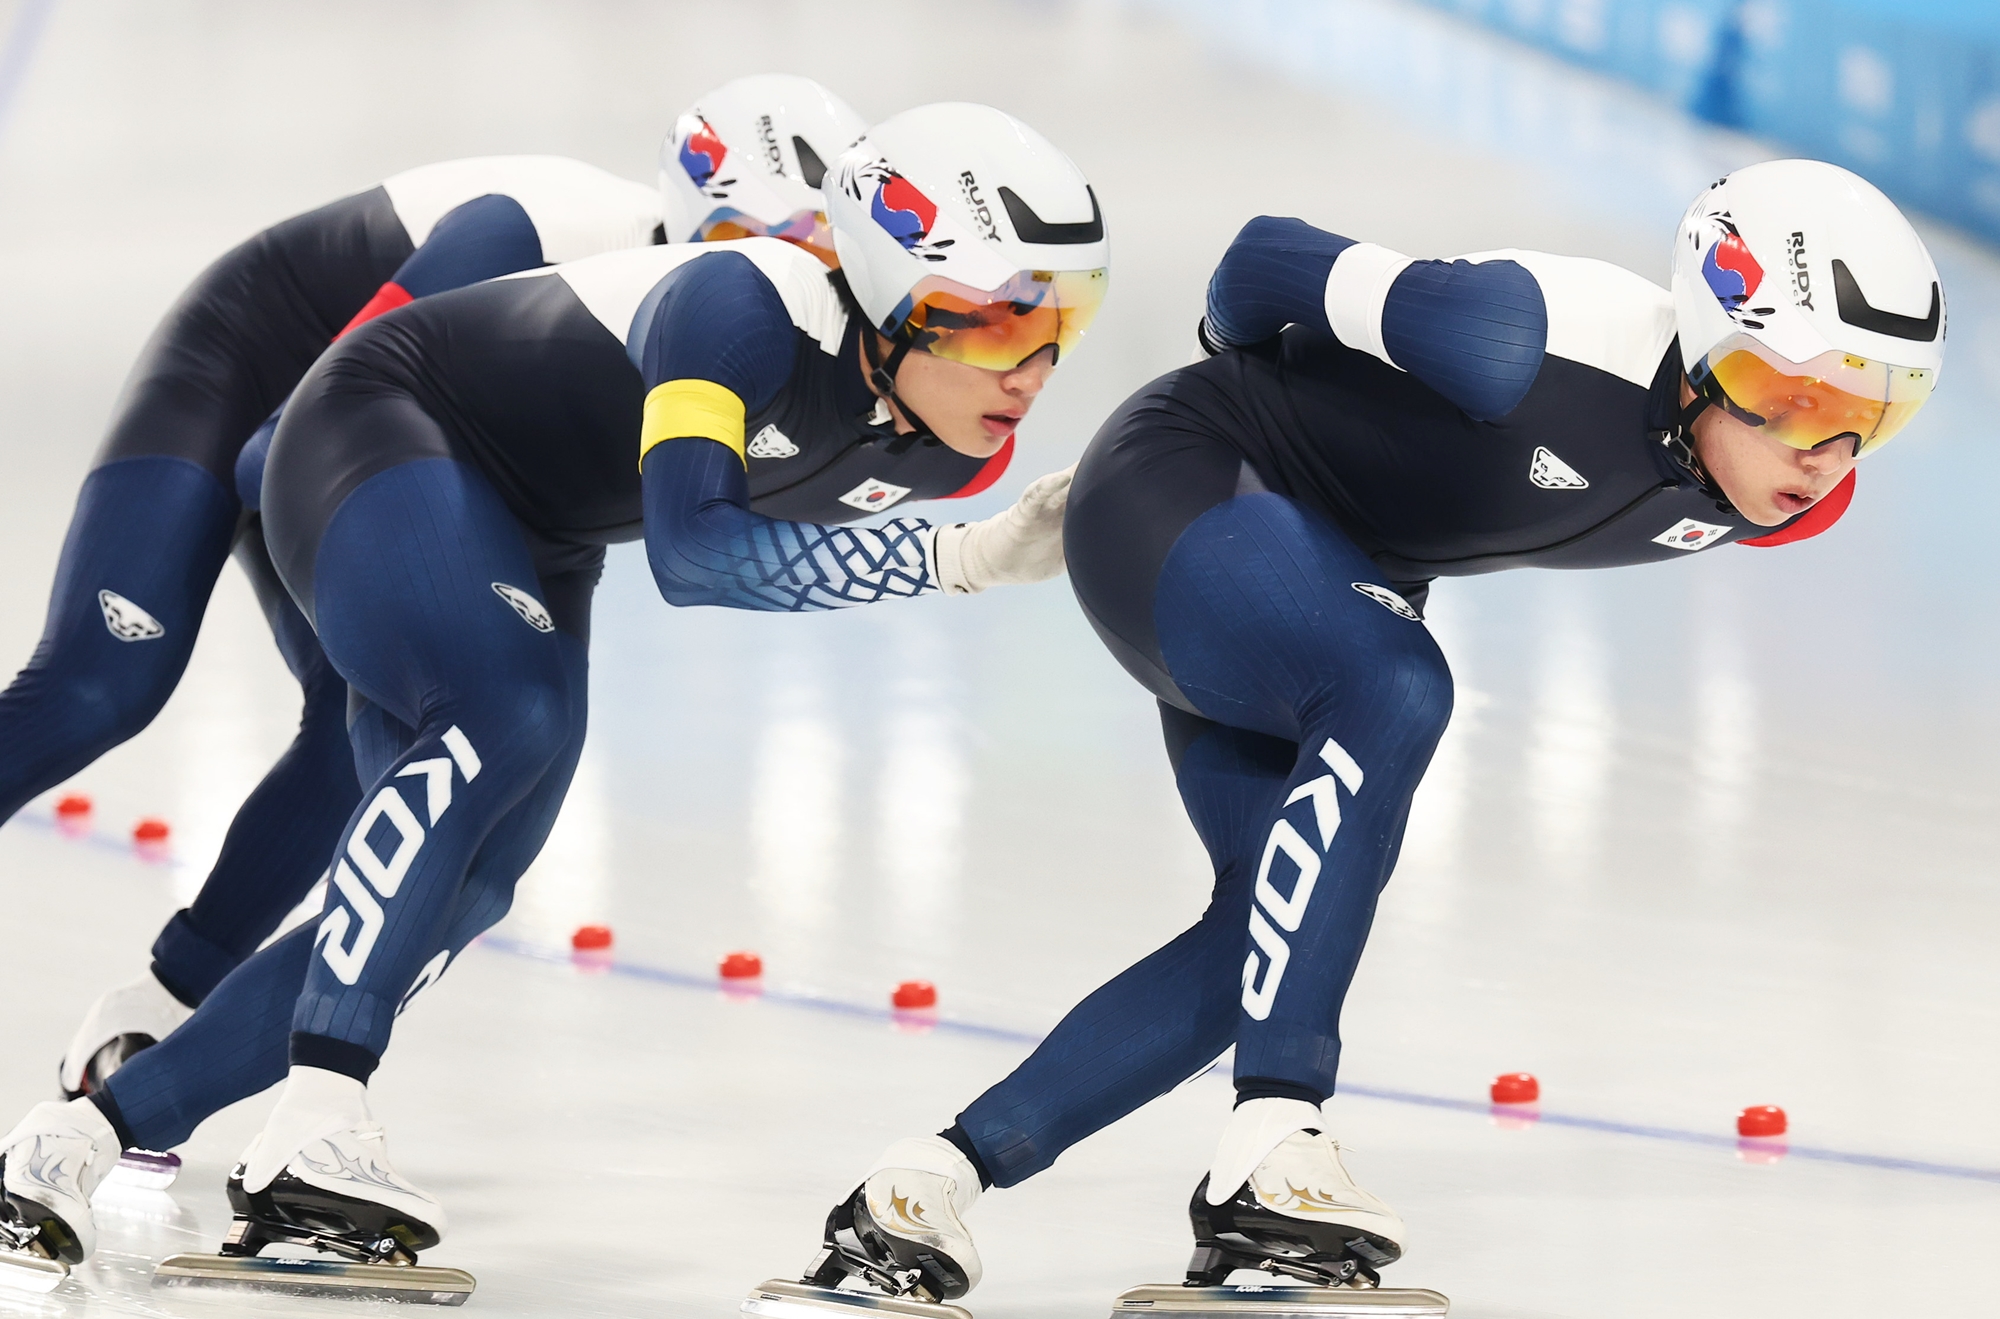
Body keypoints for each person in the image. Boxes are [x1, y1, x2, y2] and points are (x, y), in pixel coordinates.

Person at [791, 159, 1945, 1304]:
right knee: (1397, 683)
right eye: (1789, 395)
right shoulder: (1513, 336)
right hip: (1189, 492)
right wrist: (1236, 370)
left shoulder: (1788, 501)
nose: (1821, 451)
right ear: (1699, 346)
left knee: (1260, 934)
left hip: (1307, 583)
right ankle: (1274, 1135)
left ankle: (920, 1187)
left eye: (1865, 417)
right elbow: (1257, 256)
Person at [0, 100, 1109, 1289]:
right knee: (498, 711)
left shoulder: (958, 445)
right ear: (890, 299)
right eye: (995, 329)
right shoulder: (738, 303)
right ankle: (316, 1115)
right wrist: (959, 558)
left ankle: (79, 1134)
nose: (1032, 369)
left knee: (481, 874)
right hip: (371, 425)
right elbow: (692, 554)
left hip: (533, 526)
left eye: (1062, 327)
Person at [37, 75, 868, 1106]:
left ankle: (158, 1013)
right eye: (759, 234)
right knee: (100, 684)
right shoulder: (537, 230)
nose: (782, 267)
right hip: (248, 376)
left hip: (371, 445)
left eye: (819, 250)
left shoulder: (739, 318)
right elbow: (275, 448)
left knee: (392, 739)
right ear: (695, 206)